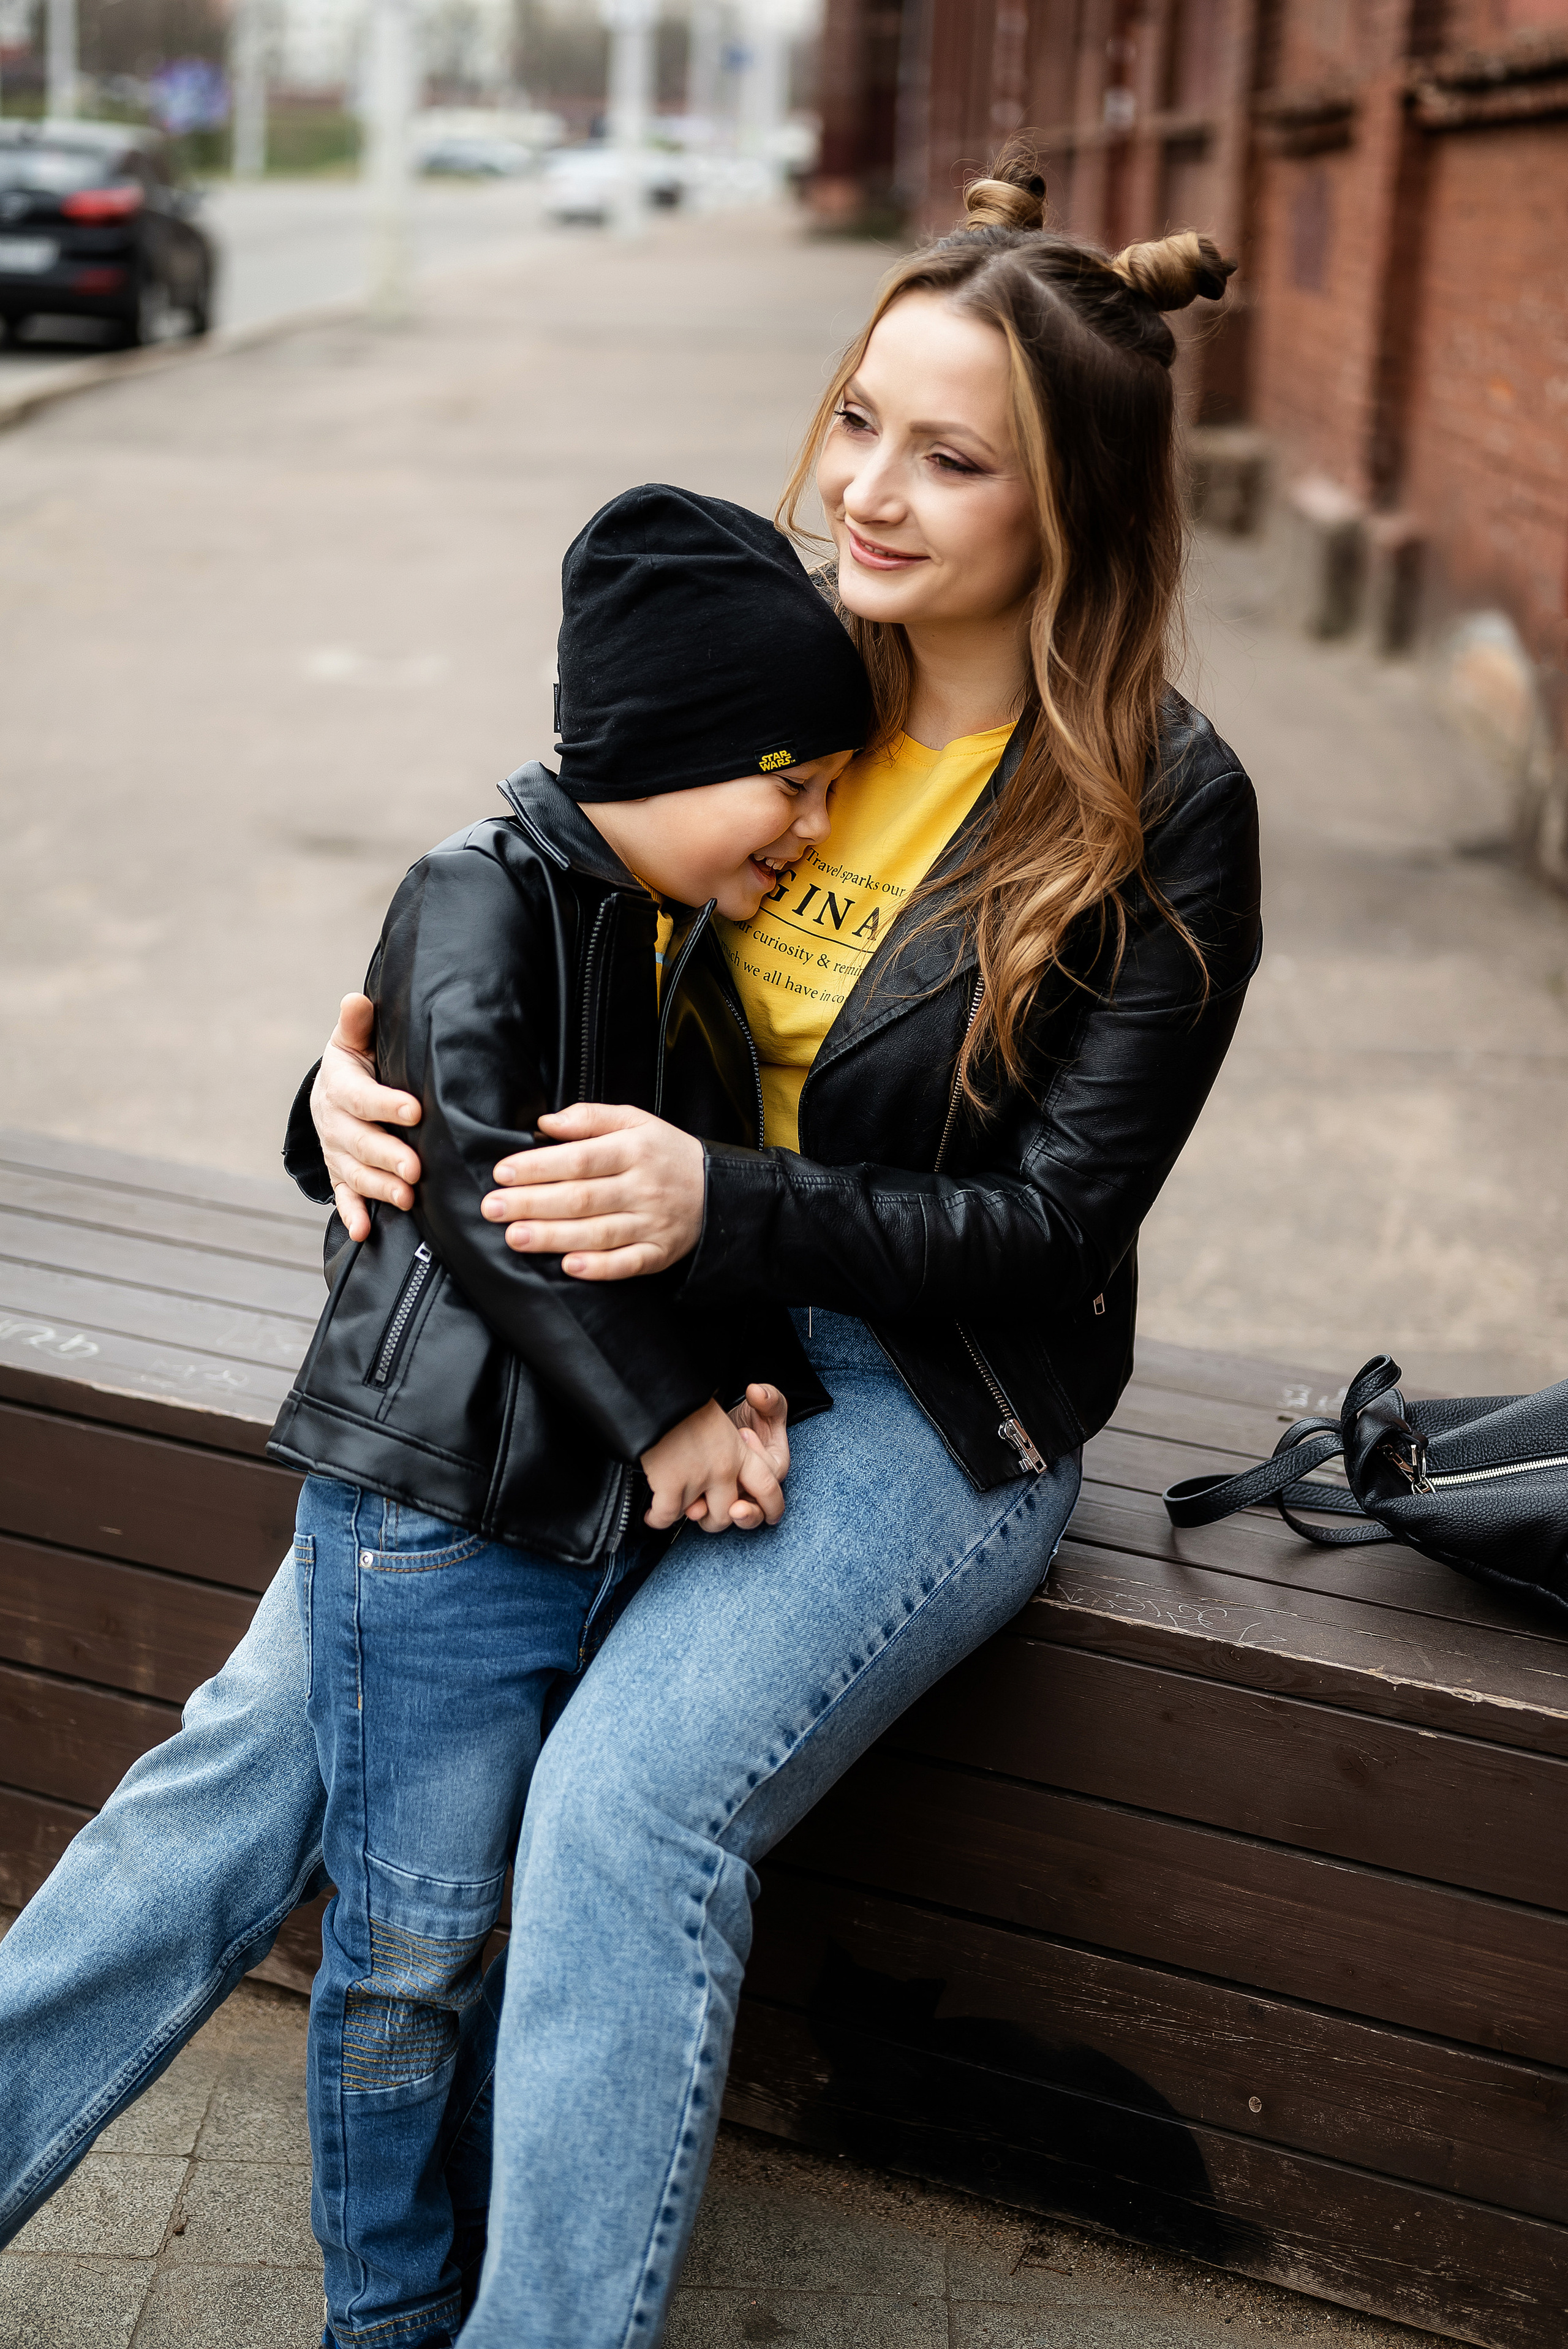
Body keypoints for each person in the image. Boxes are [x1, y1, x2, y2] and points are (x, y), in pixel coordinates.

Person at [0, 147, 1261, 2349]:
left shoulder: (1157, 797)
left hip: (921, 1390)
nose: (865, 491)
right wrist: (324, 1105)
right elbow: (496, 913)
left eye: (948, 457)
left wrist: (728, 1200)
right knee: (239, 1765)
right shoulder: (768, 648)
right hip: (591, 1319)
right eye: (859, 417)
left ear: (1078, 506)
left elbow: (1060, 1226)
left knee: (617, 1818)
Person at [274, 483, 872, 2348]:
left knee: (474, 1947)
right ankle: (386, 2316)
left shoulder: (661, 925)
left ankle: (452, 2286)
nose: (820, 820)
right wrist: (666, 1424)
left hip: (559, 1526)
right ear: (680, 745)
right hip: (434, 1527)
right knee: (409, 1960)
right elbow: (486, 1190)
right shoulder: (483, 893)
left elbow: (679, 1204)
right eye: (800, 774)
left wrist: (749, 1382)